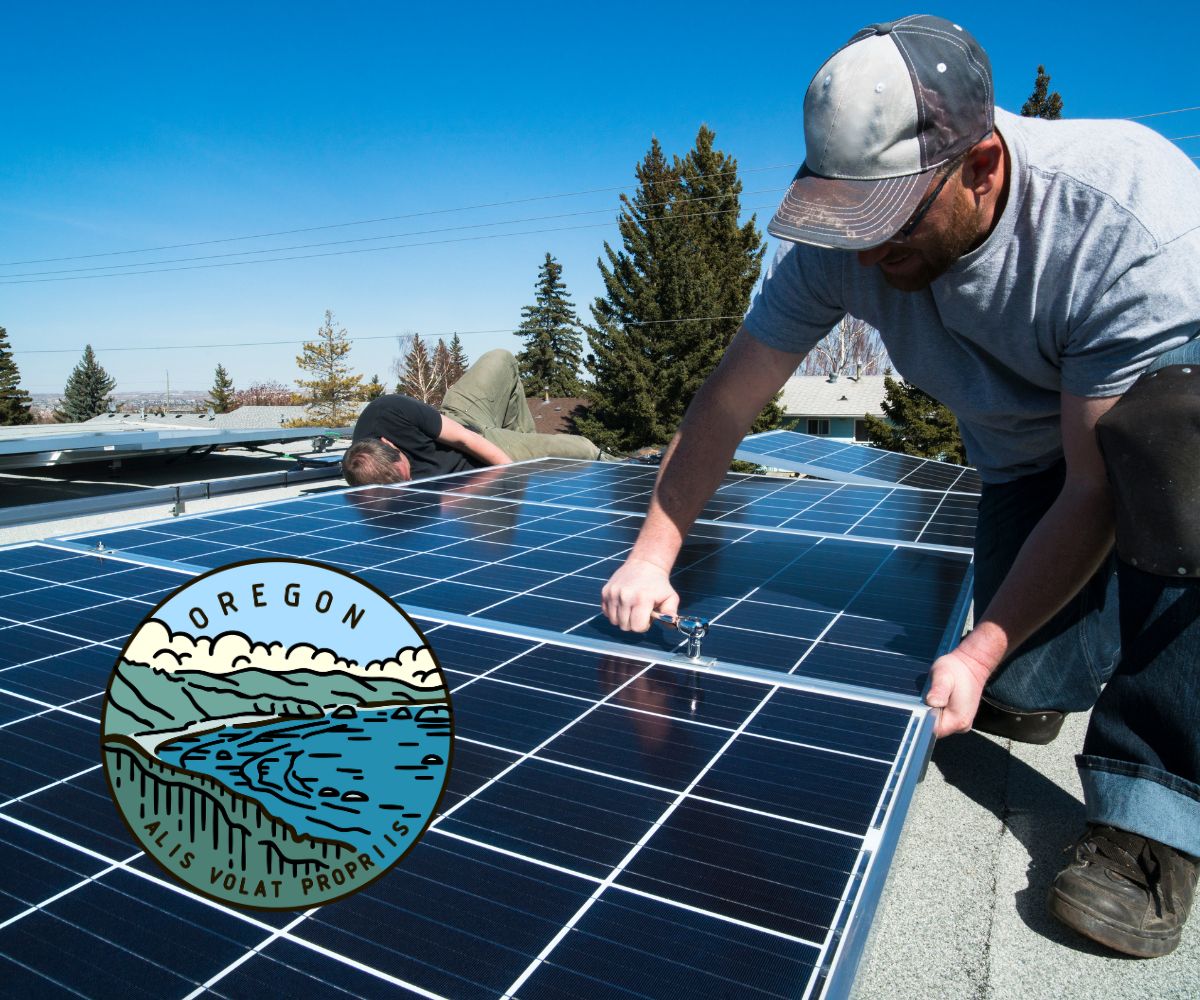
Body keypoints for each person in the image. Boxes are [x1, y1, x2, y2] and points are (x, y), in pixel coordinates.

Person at [601, 14, 1200, 958]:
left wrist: (980, 646)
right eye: (851, 223)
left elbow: (1096, 488)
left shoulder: (1123, 215)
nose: (868, 256)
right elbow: (726, 402)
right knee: (1030, 677)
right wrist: (654, 550)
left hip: (1153, 424)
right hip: (1019, 451)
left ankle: (1154, 815)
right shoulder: (843, 248)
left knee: (1176, 484)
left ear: (983, 167)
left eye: (893, 224)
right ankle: (1058, 657)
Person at [343, 349, 609, 484]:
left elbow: (465, 439)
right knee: (582, 449)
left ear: (389, 444)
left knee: (501, 358)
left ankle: (521, 441)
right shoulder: (369, 481)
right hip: (475, 471)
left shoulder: (389, 411)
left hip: (466, 429)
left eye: (406, 472)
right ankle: (629, 463)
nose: (411, 481)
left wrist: (515, 477)